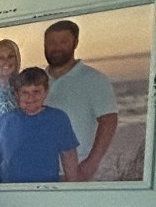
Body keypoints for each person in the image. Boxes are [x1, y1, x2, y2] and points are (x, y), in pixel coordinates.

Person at [43, 20, 118, 180]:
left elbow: (109, 121)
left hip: (75, 172)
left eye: (63, 41)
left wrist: (91, 163)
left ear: (75, 43)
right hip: (40, 171)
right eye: (51, 42)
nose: (56, 47)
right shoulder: (38, 82)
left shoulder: (94, 79)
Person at [0, 68, 81, 182]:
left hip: (46, 190)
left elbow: (69, 156)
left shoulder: (58, 119)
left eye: (36, 92)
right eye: (25, 92)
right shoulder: (4, 121)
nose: (30, 97)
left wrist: (73, 188)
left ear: (46, 92)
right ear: (16, 94)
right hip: (10, 190)